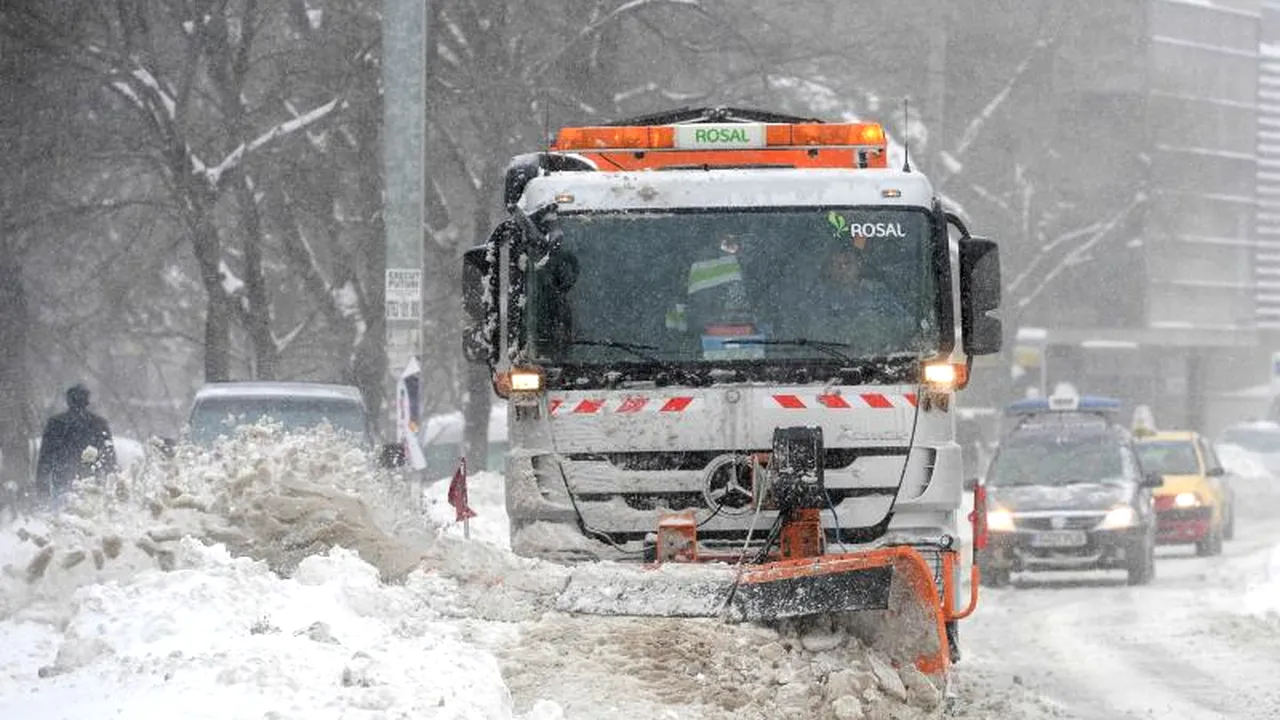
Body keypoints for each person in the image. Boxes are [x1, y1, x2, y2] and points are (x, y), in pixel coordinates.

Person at [788, 235, 914, 350]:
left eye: (847, 263)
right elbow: (805, 332)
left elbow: (905, 324)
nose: (842, 270)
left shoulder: (878, 294)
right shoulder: (817, 300)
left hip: (876, 359)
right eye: (835, 265)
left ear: (858, 265)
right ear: (829, 269)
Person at [35, 383, 117, 504]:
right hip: (91, 482)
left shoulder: (56, 423)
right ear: (87, 401)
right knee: (88, 514)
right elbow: (109, 457)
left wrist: (42, 486)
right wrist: (112, 483)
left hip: (62, 481)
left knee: (64, 514)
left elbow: (45, 457)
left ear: (68, 400)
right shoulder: (99, 424)